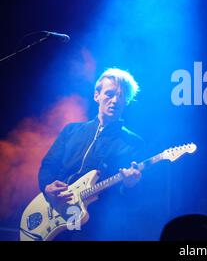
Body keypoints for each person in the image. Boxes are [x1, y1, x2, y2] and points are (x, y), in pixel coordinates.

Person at [38, 68, 145, 240]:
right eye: (109, 94)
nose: (115, 100)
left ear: (127, 102)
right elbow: (49, 165)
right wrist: (47, 187)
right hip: (53, 211)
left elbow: (132, 200)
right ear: (97, 95)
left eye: (122, 96)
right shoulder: (71, 130)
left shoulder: (133, 143)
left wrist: (130, 185)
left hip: (93, 226)